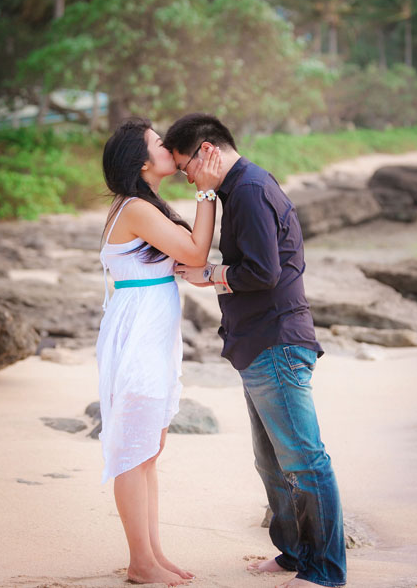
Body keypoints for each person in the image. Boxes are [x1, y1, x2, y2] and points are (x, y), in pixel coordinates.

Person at [163, 113, 346, 588]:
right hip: (258, 341)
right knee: (272, 460)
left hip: (277, 341)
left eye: (186, 168)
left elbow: (263, 272)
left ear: (208, 152)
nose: (187, 179)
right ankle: (294, 553)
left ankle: (325, 570)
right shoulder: (239, 186)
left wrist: (212, 276)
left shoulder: (246, 189)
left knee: (305, 459)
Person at [97, 116, 222, 586]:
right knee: (134, 448)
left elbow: (187, 258)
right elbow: (193, 253)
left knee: (149, 445)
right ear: (141, 161)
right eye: (157, 142)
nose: (168, 145)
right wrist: (206, 192)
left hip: (150, 329)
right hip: (138, 333)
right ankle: (139, 562)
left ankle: (150, 553)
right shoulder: (133, 207)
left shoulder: (144, 204)